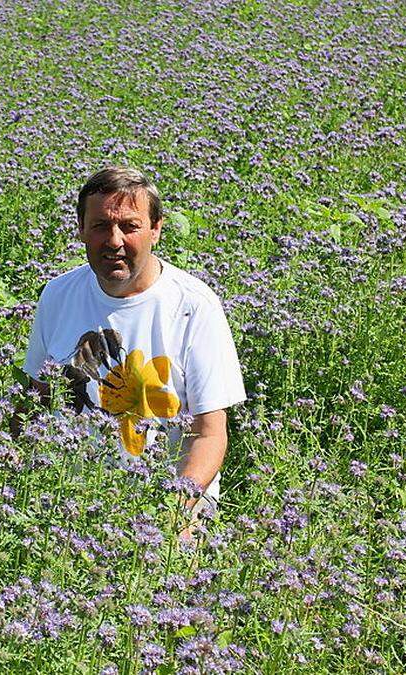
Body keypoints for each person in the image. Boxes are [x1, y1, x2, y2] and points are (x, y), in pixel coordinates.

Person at [20, 165, 247, 524]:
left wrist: (172, 516)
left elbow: (209, 434)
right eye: (100, 226)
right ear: (80, 230)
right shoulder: (58, 295)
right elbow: (36, 401)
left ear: (155, 229)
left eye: (129, 226)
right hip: (72, 502)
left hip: (173, 503)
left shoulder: (193, 306)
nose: (114, 241)